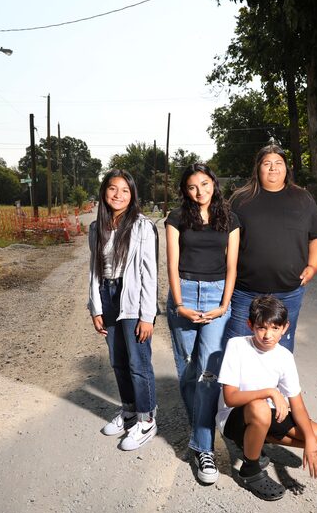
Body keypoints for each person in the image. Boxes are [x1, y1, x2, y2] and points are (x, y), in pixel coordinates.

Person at [166, 163, 240, 484]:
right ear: (185, 189)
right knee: (186, 367)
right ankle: (201, 429)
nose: (200, 192)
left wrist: (224, 304)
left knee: (209, 372)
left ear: (214, 184)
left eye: (206, 184)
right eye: (193, 186)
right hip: (184, 292)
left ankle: (203, 447)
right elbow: (170, 263)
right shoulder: (176, 218)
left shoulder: (230, 218)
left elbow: (232, 265)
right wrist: (180, 304)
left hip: (216, 297)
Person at [217, 295, 317, 501]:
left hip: (263, 416)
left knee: (316, 434)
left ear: (285, 328)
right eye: (261, 328)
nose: (268, 335)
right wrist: (270, 392)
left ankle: (254, 440)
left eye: (275, 328)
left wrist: (310, 442)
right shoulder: (237, 346)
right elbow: (230, 398)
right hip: (234, 417)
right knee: (260, 408)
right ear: (250, 325)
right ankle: (251, 468)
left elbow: (297, 404)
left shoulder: (284, 356)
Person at [225, 144, 317, 353]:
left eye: (278, 163)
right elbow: (225, 241)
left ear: (286, 168)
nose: (273, 168)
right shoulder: (241, 199)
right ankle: (238, 388)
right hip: (245, 292)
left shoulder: (303, 199)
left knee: (280, 349)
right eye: (267, 163)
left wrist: (313, 266)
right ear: (258, 168)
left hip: (288, 292)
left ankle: (276, 388)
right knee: (238, 347)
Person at [88, 169, 159, 451]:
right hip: (107, 295)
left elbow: (149, 273)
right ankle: (129, 411)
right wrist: (95, 307)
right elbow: (94, 271)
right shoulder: (97, 228)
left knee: (138, 363)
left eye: (125, 190)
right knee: (118, 361)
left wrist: (147, 315)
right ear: (104, 192)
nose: (118, 195)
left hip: (132, 298)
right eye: (113, 189)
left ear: (133, 195)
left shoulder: (142, 226)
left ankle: (147, 419)